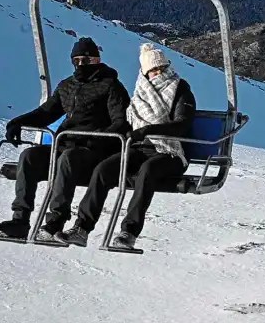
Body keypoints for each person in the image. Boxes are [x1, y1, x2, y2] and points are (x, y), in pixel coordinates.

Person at [56, 44, 196, 250]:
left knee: (147, 171)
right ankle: (82, 228)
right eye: (152, 71)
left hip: (169, 152)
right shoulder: (141, 94)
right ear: (145, 73)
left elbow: (181, 125)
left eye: (161, 69)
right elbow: (127, 121)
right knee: (104, 169)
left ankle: (128, 232)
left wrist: (148, 131)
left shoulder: (180, 90)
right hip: (139, 149)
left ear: (167, 68)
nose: (157, 74)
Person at [0, 38, 130, 239]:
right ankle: (20, 220)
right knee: (30, 155)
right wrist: (17, 122)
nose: (81, 65)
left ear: (97, 60)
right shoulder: (68, 86)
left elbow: (120, 121)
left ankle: (55, 221)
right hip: (65, 145)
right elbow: (46, 112)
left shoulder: (111, 86)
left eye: (87, 61)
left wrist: (96, 138)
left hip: (93, 150)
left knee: (69, 158)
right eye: (77, 61)